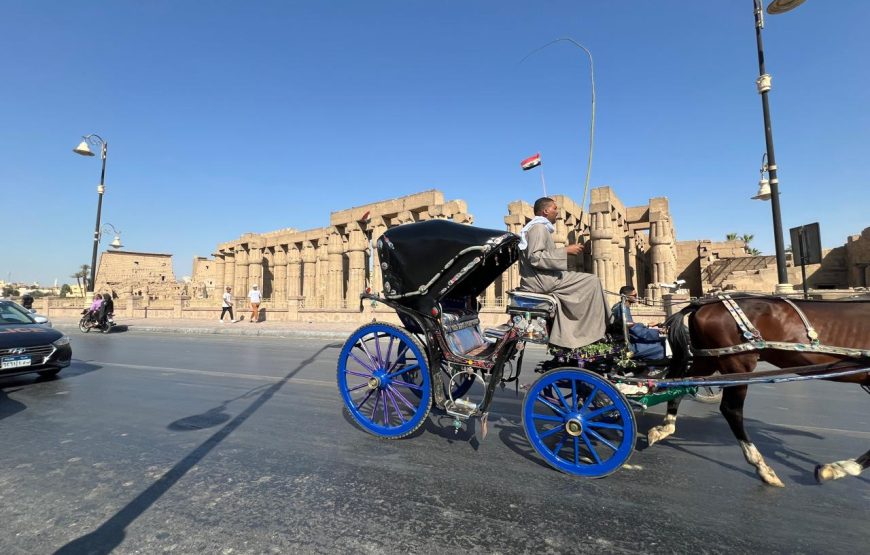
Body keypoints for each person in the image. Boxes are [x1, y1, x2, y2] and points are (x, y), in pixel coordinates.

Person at [518, 197, 608, 349]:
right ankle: (593, 330)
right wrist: (565, 251)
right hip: (543, 281)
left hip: (545, 278)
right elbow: (535, 257)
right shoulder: (538, 228)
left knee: (586, 282)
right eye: (555, 209)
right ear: (545, 211)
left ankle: (583, 330)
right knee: (592, 281)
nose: (557, 213)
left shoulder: (540, 228)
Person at [611, 285, 665, 360]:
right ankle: (650, 369)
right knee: (661, 346)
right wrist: (659, 333)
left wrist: (646, 325)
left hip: (628, 340)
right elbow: (636, 330)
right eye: (634, 295)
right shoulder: (623, 309)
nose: (636, 297)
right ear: (626, 296)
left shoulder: (618, 306)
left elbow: (631, 325)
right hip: (628, 345)